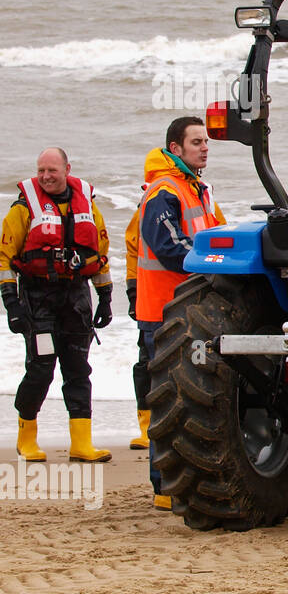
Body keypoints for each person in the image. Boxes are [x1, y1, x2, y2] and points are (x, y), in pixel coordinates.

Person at [0, 147, 113, 463]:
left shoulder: (87, 204)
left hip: (76, 300)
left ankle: (81, 444)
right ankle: (26, 438)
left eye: (52, 170)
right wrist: (12, 304)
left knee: (78, 370)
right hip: (38, 300)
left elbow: (99, 254)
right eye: (40, 171)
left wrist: (104, 298)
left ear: (67, 169)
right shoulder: (24, 208)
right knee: (41, 369)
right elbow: (4, 259)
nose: (46, 176)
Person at [137, 117, 226, 508]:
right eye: (195, 142)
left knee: (189, 398)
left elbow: (218, 232)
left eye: (205, 141)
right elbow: (170, 247)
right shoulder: (164, 190)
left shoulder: (198, 189)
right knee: (166, 400)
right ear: (175, 148)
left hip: (190, 310)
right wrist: (214, 263)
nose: (204, 147)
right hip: (162, 311)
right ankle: (163, 487)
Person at [124, 193, 150, 451]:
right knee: (146, 363)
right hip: (151, 297)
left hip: (191, 291)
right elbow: (133, 250)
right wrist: (133, 292)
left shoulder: (204, 195)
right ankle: (146, 427)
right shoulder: (151, 200)